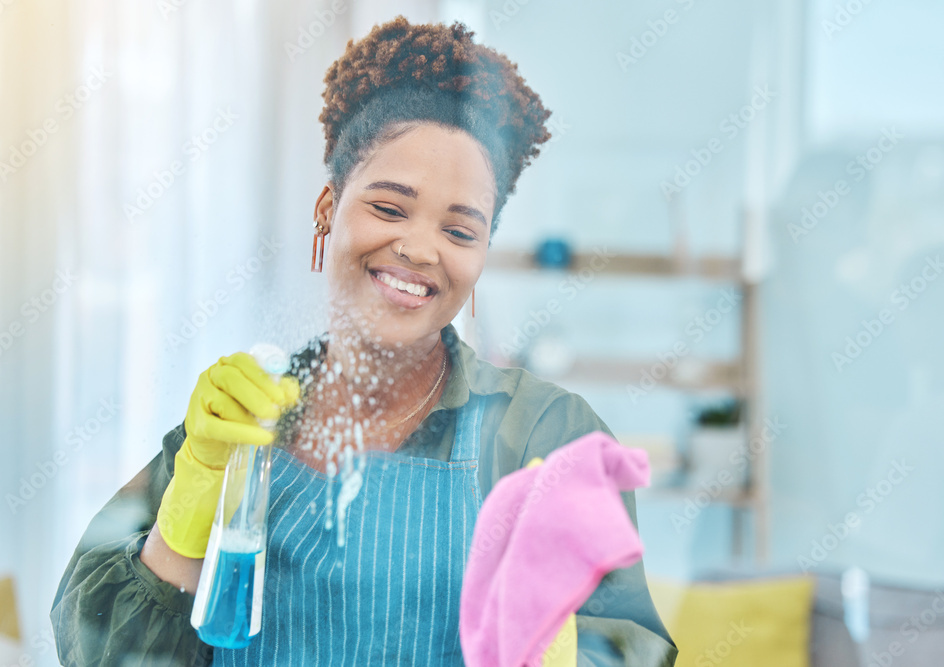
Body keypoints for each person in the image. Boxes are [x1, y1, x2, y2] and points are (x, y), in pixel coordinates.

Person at [51, 16, 678, 666]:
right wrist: (189, 509)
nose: (417, 248)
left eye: (460, 230)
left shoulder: (545, 433)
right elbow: (102, 654)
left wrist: (549, 627)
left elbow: (628, 648)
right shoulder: (237, 421)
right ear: (328, 207)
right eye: (389, 207)